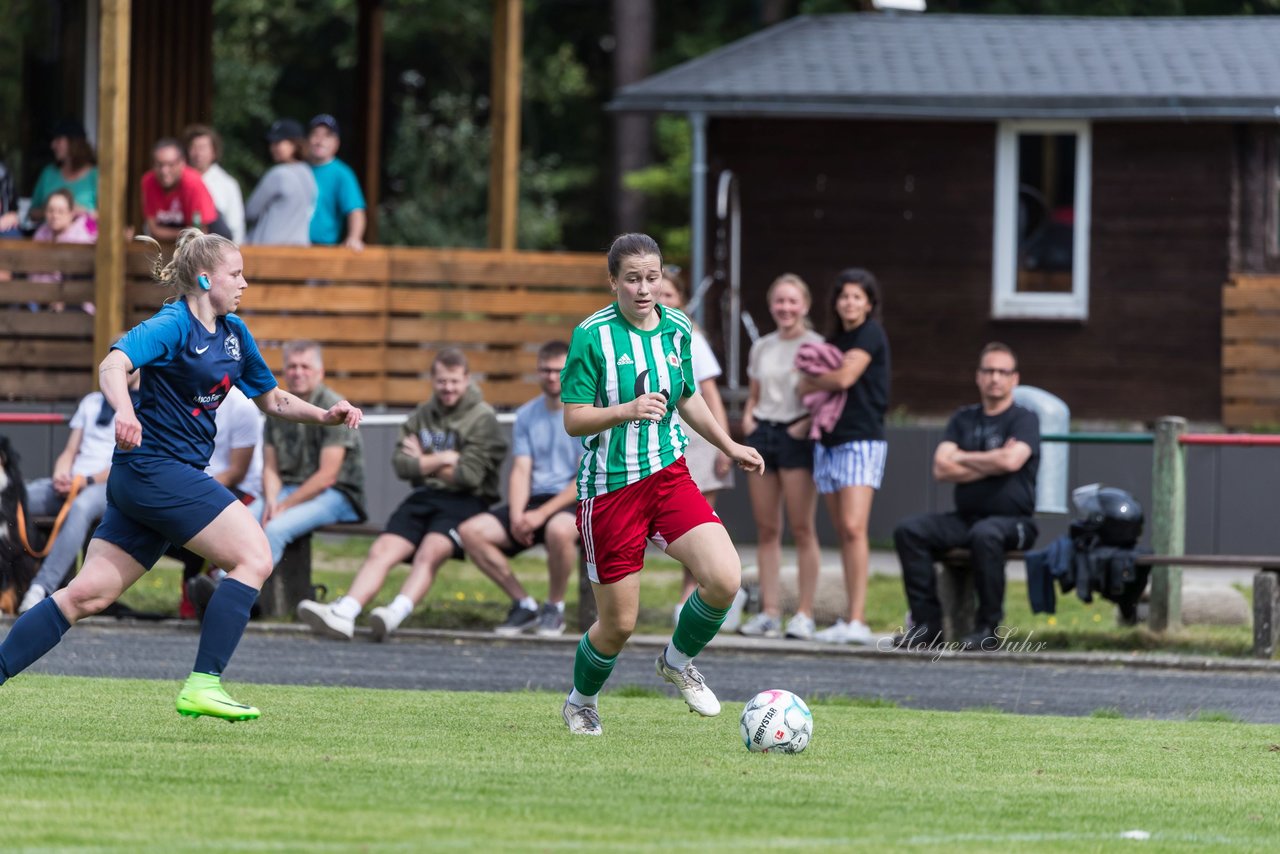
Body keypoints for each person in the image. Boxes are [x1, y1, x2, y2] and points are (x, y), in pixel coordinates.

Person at [0, 228, 364, 721]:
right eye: (236, 273)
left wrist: (325, 415)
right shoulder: (173, 323)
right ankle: (204, 683)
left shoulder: (235, 335)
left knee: (88, 594)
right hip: (155, 472)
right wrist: (125, 411)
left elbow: (273, 398)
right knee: (255, 555)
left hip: (150, 480)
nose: (244, 283)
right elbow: (113, 366)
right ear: (205, 277)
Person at [557, 232, 765, 736]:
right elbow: (573, 419)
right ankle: (581, 702)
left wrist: (728, 444)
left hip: (669, 475)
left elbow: (688, 396)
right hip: (610, 490)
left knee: (724, 579)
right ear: (614, 282)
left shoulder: (677, 326)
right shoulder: (592, 335)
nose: (644, 288)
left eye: (653, 278)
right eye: (632, 279)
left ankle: (677, 660)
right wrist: (626, 410)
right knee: (618, 626)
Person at [296, 349, 507, 642]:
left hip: (467, 500)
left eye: (454, 382)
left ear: (466, 380)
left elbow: (469, 476)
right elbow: (401, 465)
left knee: (430, 552)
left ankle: (394, 613)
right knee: (382, 549)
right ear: (433, 380)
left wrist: (422, 461)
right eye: (442, 381)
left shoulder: (482, 418)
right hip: (425, 496)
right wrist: (445, 458)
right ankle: (345, 612)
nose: (448, 388)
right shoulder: (422, 414)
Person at [892, 342, 1040, 651]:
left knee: (985, 535)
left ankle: (987, 628)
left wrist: (964, 456)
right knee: (910, 530)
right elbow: (941, 468)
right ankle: (927, 627)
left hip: (1015, 523)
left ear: (1015, 379)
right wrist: (994, 460)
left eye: (1003, 372)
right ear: (978, 376)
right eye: (989, 371)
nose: (995, 378)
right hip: (966, 519)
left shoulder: (1024, 419)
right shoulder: (964, 418)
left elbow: (1011, 462)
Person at [456, 340, 581, 637]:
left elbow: (584, 476)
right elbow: (521, 469)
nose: (551, 377)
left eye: (557, 370)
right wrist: (516, 515)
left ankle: (555, 607)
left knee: (559, 530)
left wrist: (541, 515)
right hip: (535, 499)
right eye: (545, 370)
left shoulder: (584, 411)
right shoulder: (526, 414)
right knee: (471, 532)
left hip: (574, 501)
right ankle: (524, 604)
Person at [796, 268, 891, 645]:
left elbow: (842, 379)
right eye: (844, 296)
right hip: (828, 440)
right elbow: (804, 383)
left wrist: (821, 376)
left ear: (869, 303)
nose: (850, 302)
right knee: (840, 531)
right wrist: (822, 377)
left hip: (862, 440)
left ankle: (858, 619)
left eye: (857, 296)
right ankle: (849, 617)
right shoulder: (834, 338)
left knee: (854, 527)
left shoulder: (871, 333)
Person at [737, 273, 825, 640]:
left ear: (804, 305)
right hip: (763, 435)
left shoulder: (816, 344)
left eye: (793, 302)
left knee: (802, 527)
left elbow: (825, 395)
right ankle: (769, 612)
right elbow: (755, 394)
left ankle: (804, 613)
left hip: (796, 435)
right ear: (772, 305)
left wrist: (804, 425)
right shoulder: (763, 347)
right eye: (779, 302)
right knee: (767, 528)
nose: (786, 308)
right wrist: (747, 417)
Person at [652, 267, 740, 627]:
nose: (663, 300)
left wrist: (724, 445)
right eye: (660, 294)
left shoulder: (689, 336)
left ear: (682, 301)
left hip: (698, 438)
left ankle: (694, 596)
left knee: (698, 523)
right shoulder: (645, 336)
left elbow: (708, 394)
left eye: (671, 296)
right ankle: (697, 595)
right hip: (666, 437)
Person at [17, 368, 140, 614]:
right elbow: (70, 451)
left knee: (81, 507)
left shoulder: (146, 406)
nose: (121, 373)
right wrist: (61, 474)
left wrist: (87, 480)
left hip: (108, 485)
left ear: (139, 371)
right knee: (17, 497)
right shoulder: (91, 402)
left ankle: (41, 588)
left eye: (128, 369)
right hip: (74, 480)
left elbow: (131, 461)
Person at [256, 340, 367, 569]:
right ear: (284, 371)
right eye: (292, 366)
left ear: (320, 372)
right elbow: (270, 468)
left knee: (275, 529)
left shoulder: (335, 408)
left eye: (305, 367)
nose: (298, 373)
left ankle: (230, 590)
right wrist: (271, 502)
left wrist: (284, 507)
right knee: (245, 520)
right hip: (288, 488)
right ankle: (228, 586)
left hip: (337, 494)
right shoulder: (277, 406)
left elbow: (327, 476)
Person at [178, 385, 265, 620]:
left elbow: (237, 472)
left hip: (240, 488)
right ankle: (199, 596)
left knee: (195, 515)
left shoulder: (242, 406)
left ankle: (213, 595)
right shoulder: (187, 397)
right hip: (197, 482)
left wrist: (193, 489)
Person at [245, 119, 317, 246]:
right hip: (300, 247)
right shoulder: (309, 172)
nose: (273, 147)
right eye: (272, 143)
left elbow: (251, 211)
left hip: (269, 248)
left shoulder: (278, 174)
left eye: (278, 142)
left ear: (295, 144)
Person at [31, 188, 98, 313]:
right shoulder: (41, 234)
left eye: (61, 211)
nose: (55, 215)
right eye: (51, 210)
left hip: (78, 305)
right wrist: (49, 297)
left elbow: (82, 284)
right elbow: (35, 274)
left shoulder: (82, 238)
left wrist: (62, 299)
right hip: (44, 301)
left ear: (71, 213)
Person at [141, 138, 220, 241]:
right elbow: (153, 230)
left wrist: (190, 233)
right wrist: (188, 232)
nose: (164, 171)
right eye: (159, 165)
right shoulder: (148, 181)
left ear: (182, 163)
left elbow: (200, 233)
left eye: (171, 164)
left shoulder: (193, 183)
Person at [306, 114, 366, 250]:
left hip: (323, 248)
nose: (320, 141)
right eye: (315, 134)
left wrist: (354, 238)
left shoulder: (342, 173)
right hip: (291, 245)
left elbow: (355, 210)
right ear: (307, 139)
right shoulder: (299, 169)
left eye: (327, 136)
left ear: (336, 143)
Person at [184, 124, 246, 244]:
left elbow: (236, 227)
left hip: (216, 251)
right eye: (193, 147)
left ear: (214, 152)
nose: (197, 153)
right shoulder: (178, 180)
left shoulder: (228, 184)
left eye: (202, 148)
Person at [29, 118, 98, 224]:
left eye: (58, 139)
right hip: (48, 239)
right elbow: (32, 213)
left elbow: (110, 216)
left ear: (74, 142)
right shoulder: (48, 173)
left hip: (86, 239)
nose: (52, 145)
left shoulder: (96, 176)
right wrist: (52, 211)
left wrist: (83, 212)